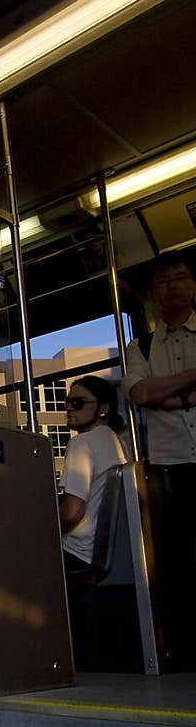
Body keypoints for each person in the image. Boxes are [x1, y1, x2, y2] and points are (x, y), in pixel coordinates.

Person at [122, 251, 196, 662]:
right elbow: (140, 394)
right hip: (169, 466)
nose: (173, 286)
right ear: (153, 293)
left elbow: (155, 394)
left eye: (180, 277)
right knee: (179, 559)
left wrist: (167, 394)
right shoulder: (142, 346)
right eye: (164, 281)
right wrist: (188, 384)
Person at [58, 376, 127, 579]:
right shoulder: (118, 442)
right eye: (67, 402)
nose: (69, 408)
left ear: (103, 409)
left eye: (77, 403)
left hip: (76, 551)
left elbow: (72, 513)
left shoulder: (82, 443)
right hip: (104, 550)